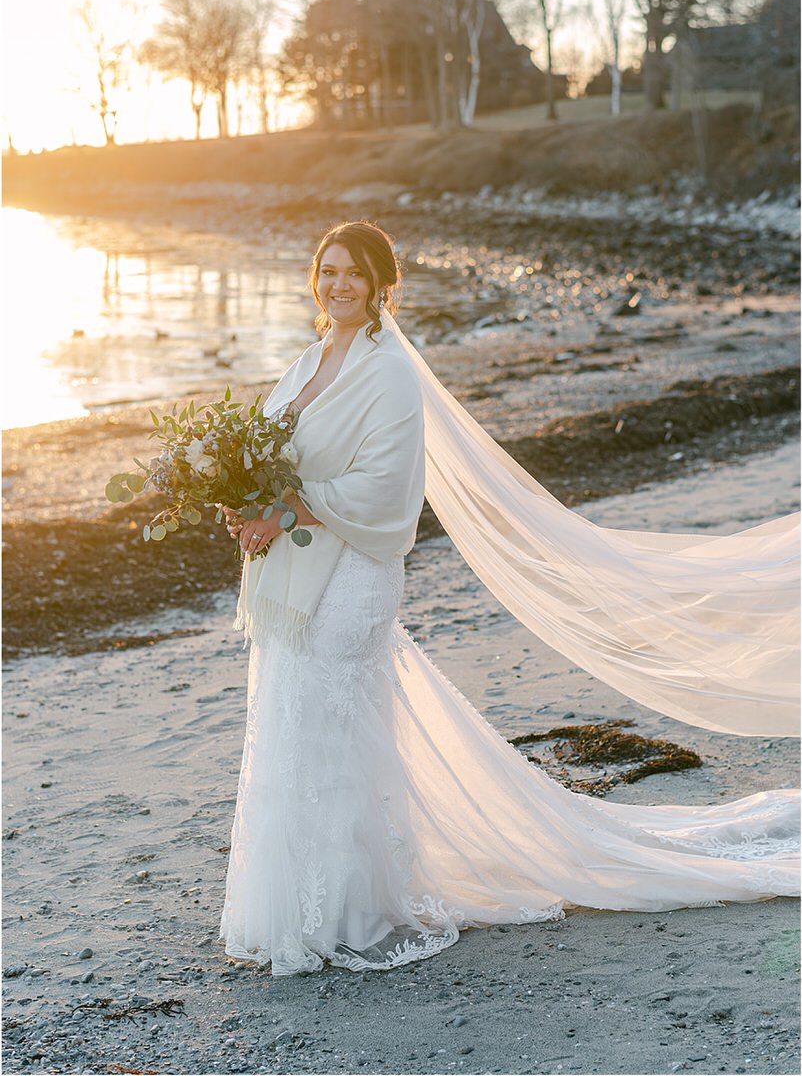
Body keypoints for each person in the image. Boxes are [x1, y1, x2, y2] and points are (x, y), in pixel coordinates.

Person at [217, 220, 800, 977]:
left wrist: (287, 510)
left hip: (353, 574)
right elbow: (269, 449)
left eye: (354, 273)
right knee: (295, 728)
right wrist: (239, 496)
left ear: (382, 282)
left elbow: (387, 494)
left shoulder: (389, 369)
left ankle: (356, 910)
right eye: (327, 271)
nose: (338, 285)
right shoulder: (307, 359)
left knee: (335, 737)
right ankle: (299, 904)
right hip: (299, 570)